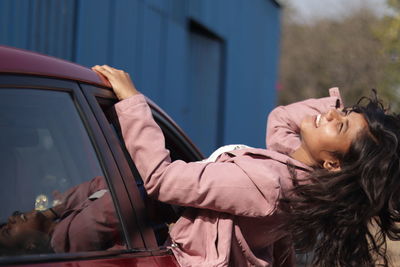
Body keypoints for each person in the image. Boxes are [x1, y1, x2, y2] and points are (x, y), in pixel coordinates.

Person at [92, 65, 400, 267]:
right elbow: (280, 120)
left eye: (342, 126)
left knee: (98, 207)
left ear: (332, 164)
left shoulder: (267, 182)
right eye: (343, 112)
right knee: (96, 191)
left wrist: (132, 102)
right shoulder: (300, 177)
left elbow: (162, 179)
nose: (332, 116)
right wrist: (332, 114)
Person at [0, 176, 123, 255]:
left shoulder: (64, 225)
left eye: (6, 223)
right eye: (7, 231)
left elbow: (100, 187)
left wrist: (55, 210)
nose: (10, 218)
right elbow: (120, 198)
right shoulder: (72, 235)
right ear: (30, 247)